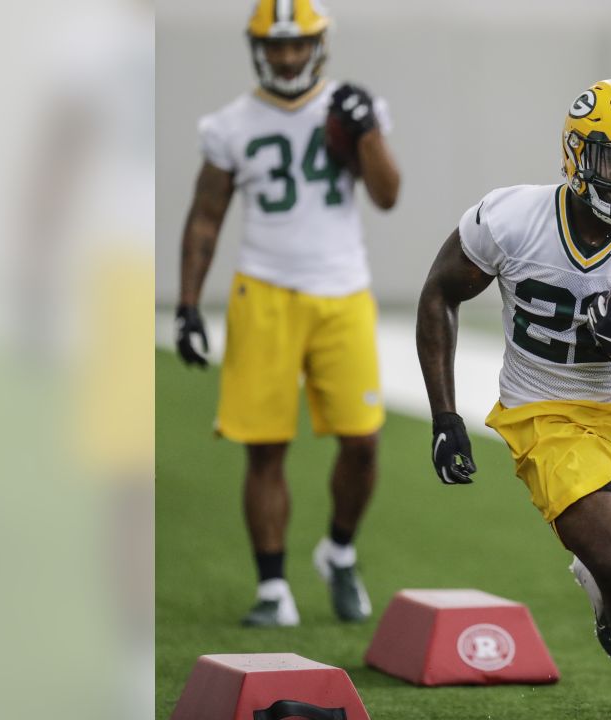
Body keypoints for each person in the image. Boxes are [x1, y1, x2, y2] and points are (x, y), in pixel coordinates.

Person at [417, 79, 611, 720]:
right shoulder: (512, 217)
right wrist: (444, 415)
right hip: (545, 409)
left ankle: (604, 590)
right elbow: (440, 292)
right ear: (575, 155)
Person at [174, 0, 401, 627]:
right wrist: (189, 304)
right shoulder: (229, 124)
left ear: (319, 45)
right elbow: (205, 216)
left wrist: (366, 135)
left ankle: (339, 549)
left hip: (343, 291)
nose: (287, 56)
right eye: (276, 47)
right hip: (264, 292)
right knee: (265, 448)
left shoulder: (354, 108)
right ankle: (273, 587)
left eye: (297, 45)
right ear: (258, 50)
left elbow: (387, 195)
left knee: (363, 441)